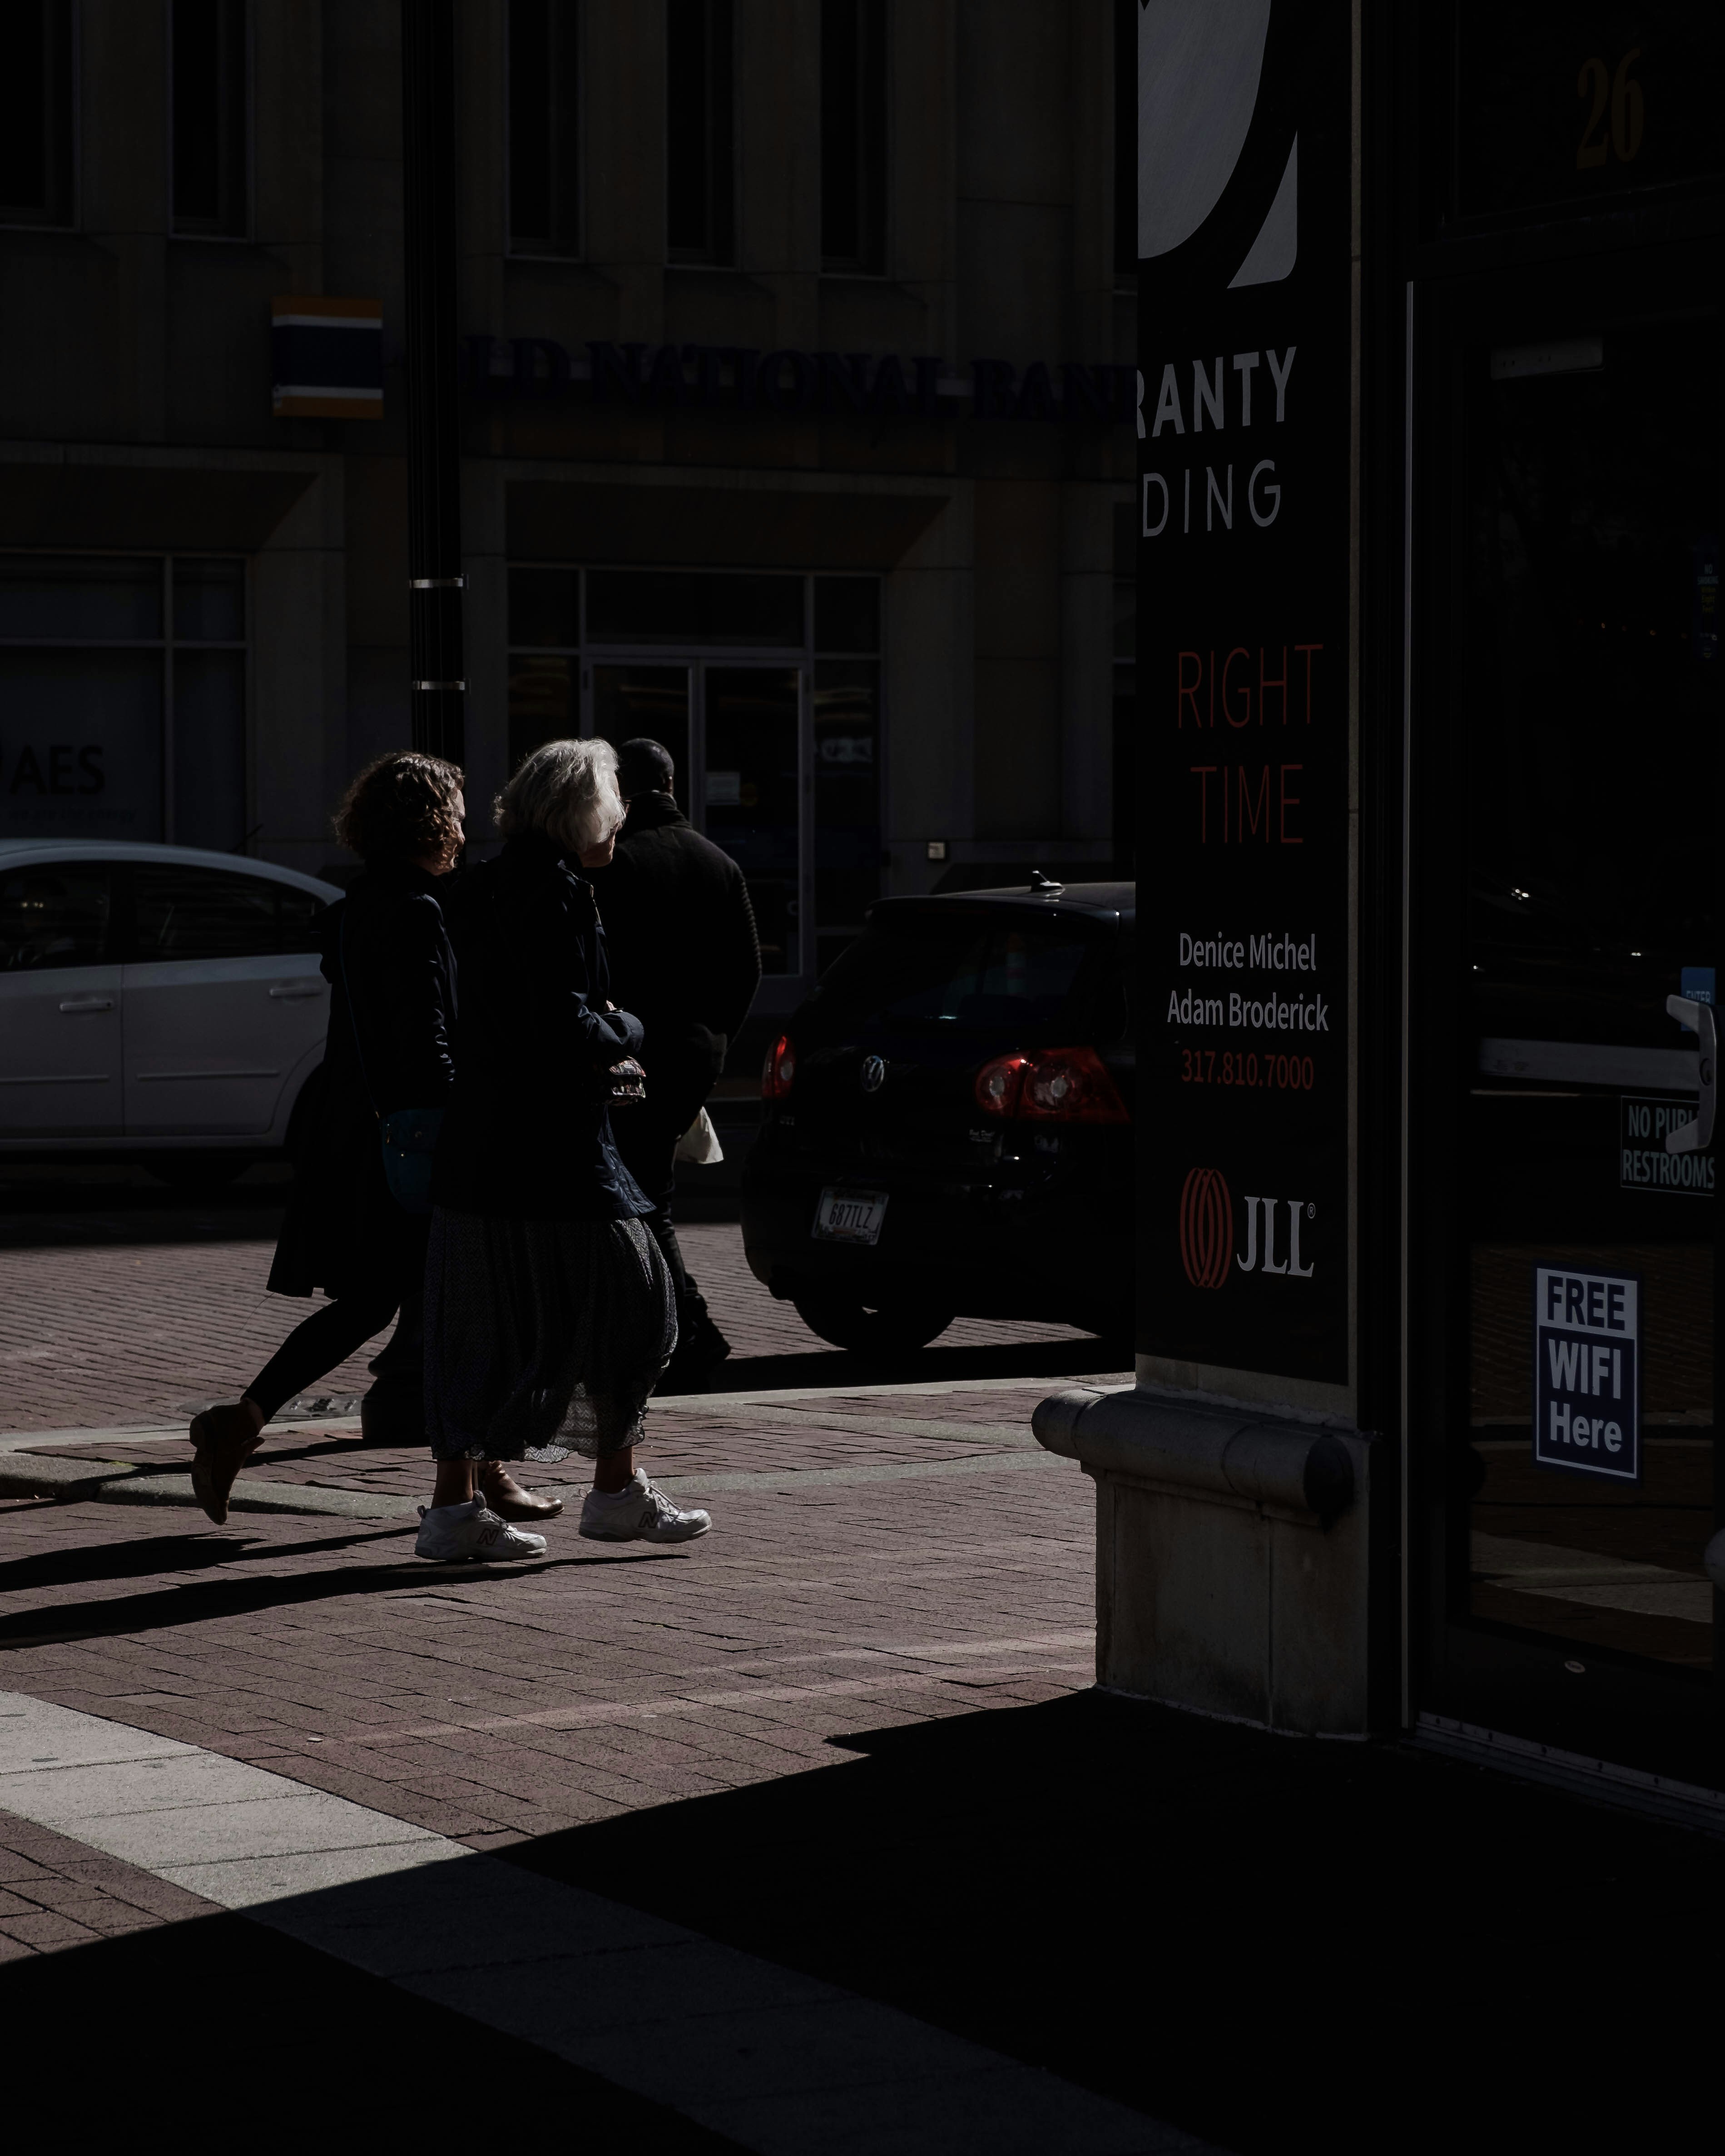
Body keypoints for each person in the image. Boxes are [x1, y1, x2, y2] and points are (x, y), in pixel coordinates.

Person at [187, 752, 557, 1551]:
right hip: (416, 1139)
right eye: (455, 809)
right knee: (467, 1307)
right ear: (429, 820)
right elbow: (425, 1038)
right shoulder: (418, 910)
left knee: (376, 1301)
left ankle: (243, 1422)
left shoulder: (363, 904)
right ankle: (468, 1487)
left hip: (362, 1135)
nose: (464, 826)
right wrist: (471, 1117)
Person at [419, 737, 710, 1555]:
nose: (622, 822)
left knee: (481, 1325)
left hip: (481, 1148)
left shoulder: (474, 888)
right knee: (639, 1305)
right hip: (553, 1149)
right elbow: (560, 1019)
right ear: (585, 812)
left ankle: (455, 1510)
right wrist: (630, 1029)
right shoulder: (556, 892)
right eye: (614, 806)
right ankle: (613, 1493)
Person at [590, 736, 761, 1386]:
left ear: (619, 792)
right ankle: (676, 1327)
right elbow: (746, 968)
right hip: (693, 1051)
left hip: (631, 1053)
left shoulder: (616, 862)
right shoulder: (717, 863)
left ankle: (688, 1330)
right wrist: (716, 1040)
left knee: (637, 1198)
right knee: (642, 1191)